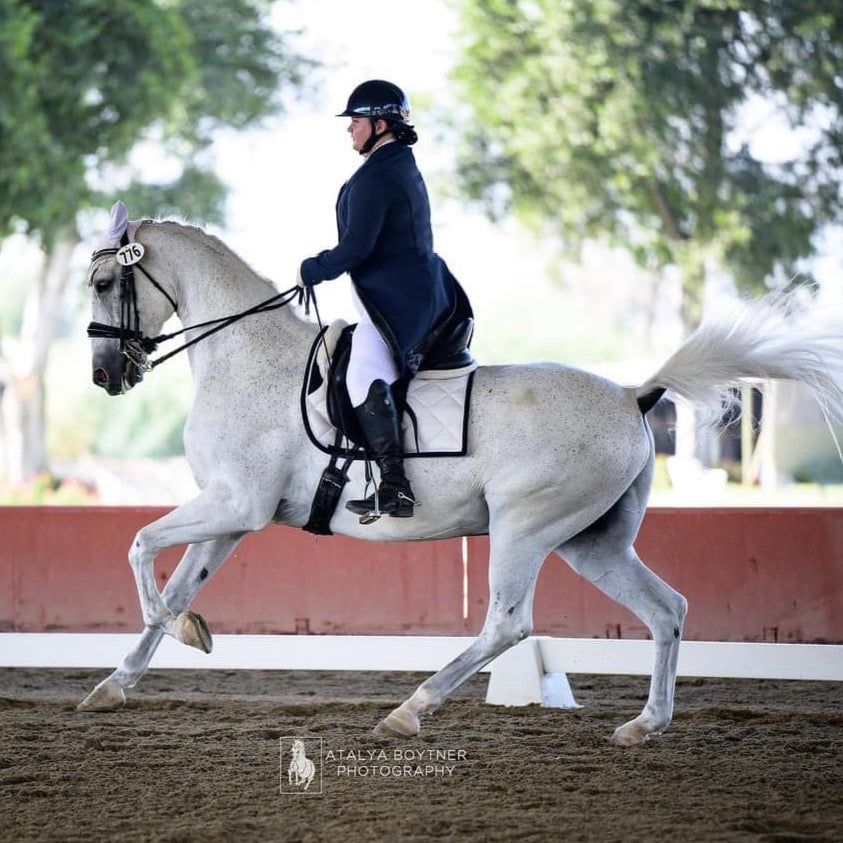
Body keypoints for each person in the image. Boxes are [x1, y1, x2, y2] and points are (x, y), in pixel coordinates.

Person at [298, 79, 471, 522]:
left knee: (360, 376)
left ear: (380, 123)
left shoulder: (380, 175)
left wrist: (312, 268)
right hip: (417, 293)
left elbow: (356, 248)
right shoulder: (394, 165)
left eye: (355, 121)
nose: (350, 129)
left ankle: (395, 484)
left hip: (401, 306)